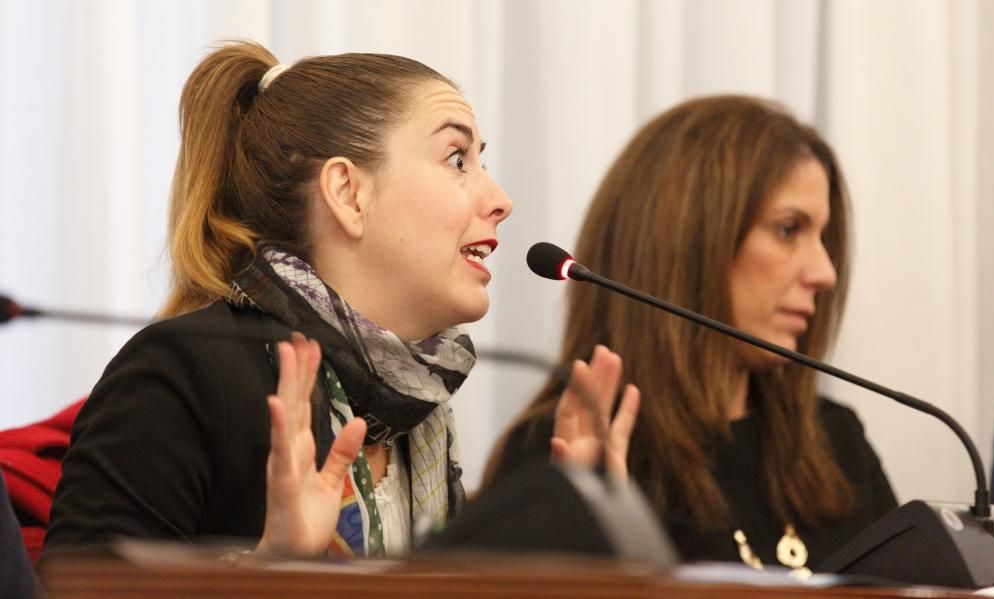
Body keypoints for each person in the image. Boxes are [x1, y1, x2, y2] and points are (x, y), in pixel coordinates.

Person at [45, 41, 638, 560]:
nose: (500, 198)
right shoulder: (183, 372)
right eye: (458, 159)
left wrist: (566, 545)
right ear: (348, 193)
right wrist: (268, 572)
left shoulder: (420, 411)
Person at [485, 95, 897, 571]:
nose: (824, 272)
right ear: (686, 243)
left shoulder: (837, 441)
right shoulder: (567, 453)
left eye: (823, 238)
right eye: (788, 230)